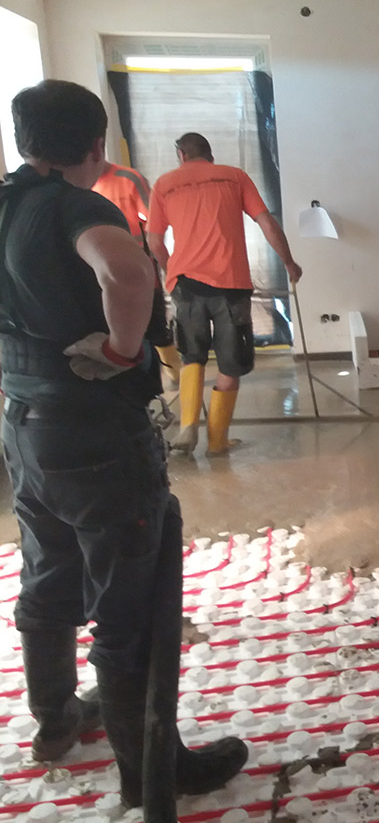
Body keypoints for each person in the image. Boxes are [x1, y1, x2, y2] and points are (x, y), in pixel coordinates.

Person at [0, 80, 246, 804]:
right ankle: (152, 775)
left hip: (26, 426)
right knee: (129, 606)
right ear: (96, 144)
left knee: (48, 576)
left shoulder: (5, 202)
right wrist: (119, 349)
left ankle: (56, 720)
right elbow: (129, 272)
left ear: (23, 139)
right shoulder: (76, 205)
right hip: (94, 433)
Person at [147, 132, 302, 456]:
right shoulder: (234, 177)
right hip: (231, 285)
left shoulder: (164, 185)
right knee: (231, 363)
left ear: (181, 155)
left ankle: (188, 426)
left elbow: (155, 242)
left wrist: (171, 273)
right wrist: (289, 262)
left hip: (186, 284)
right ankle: (217, 442)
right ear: (210, 154)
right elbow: (267, 223)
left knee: (192, 356)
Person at [92, 160, 183, 384]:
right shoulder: (75, 186)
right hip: (97, 275)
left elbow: (155, 221)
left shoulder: (129, 179)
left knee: (156, 330)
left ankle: (175, 375)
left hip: (138, 271)